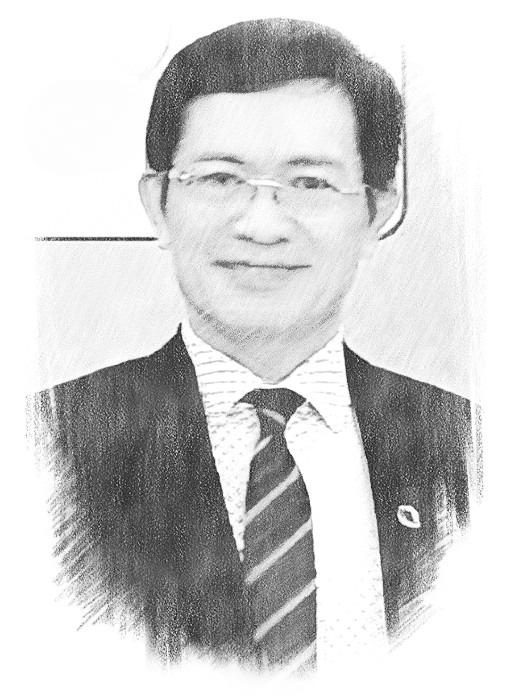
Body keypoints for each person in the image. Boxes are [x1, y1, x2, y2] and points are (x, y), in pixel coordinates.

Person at [35, 18, 475, 673]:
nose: (262, 226)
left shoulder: (473, 452)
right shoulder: (42, 447)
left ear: (378, 210)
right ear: (158, 203)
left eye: (310, 184)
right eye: (219, 179)